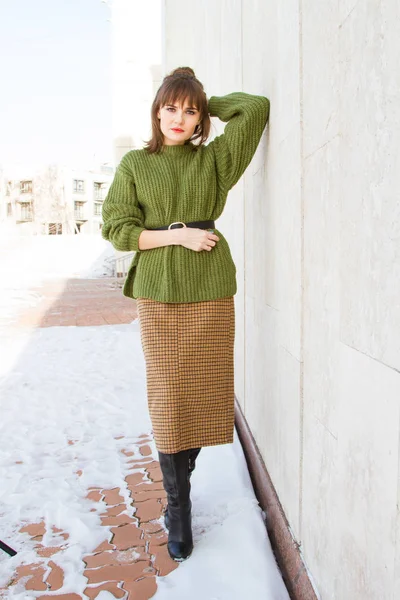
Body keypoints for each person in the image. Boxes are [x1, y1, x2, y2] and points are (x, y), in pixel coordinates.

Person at [101, 67, 270, 562]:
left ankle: (184, 473)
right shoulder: (135, 162)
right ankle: (178, 507)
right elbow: (117, 227)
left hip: (210, 290)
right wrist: (179, 234)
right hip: (158, 291)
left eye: (189, 110)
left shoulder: (213, 160)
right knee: (170, 396)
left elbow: (254, 108)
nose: (179, 117)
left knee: (203, 390)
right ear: (156, 112)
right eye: (170, 107)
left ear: (200, 118)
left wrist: (205, 99)